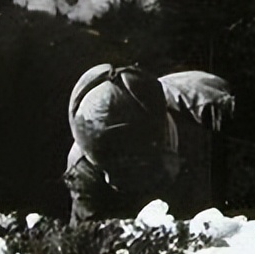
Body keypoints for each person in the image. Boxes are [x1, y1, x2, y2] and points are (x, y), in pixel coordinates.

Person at [64, 64, 234, 224]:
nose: (110, 182)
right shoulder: (83, 167)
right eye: (104, 169)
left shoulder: (214, 109)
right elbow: (85, 241)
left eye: (125, 167)